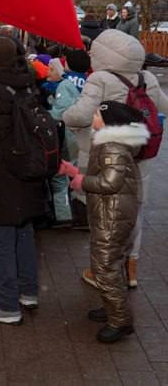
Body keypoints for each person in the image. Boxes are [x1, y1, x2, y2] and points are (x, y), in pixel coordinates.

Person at [63, 29, 168, 288]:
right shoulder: (145, 76)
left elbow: (80, 116)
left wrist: (65, 115)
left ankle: (104, 271)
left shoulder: (100, 79)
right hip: (141, 151)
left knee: (105, 213)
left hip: (108, 153)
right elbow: (163, 107)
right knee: (135, 209)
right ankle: (130, 268)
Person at [0, 36, 47, 324]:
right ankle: (28, 291)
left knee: (2, 237)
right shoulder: (28, 83)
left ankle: (6, 305)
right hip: (29, 168)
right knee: (25, 231)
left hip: (1, 173)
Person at [63, 101, 148, 343]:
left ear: (109, 121)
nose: (93, 115)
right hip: (111, 213)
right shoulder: (109, 143)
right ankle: (112, 306)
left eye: (98, 113)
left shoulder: (112, 147)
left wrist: (81, 182)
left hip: (113, 215)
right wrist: (75, 173)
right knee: (111, 263)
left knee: (104, 266)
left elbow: (110, 183)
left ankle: (120, 321)